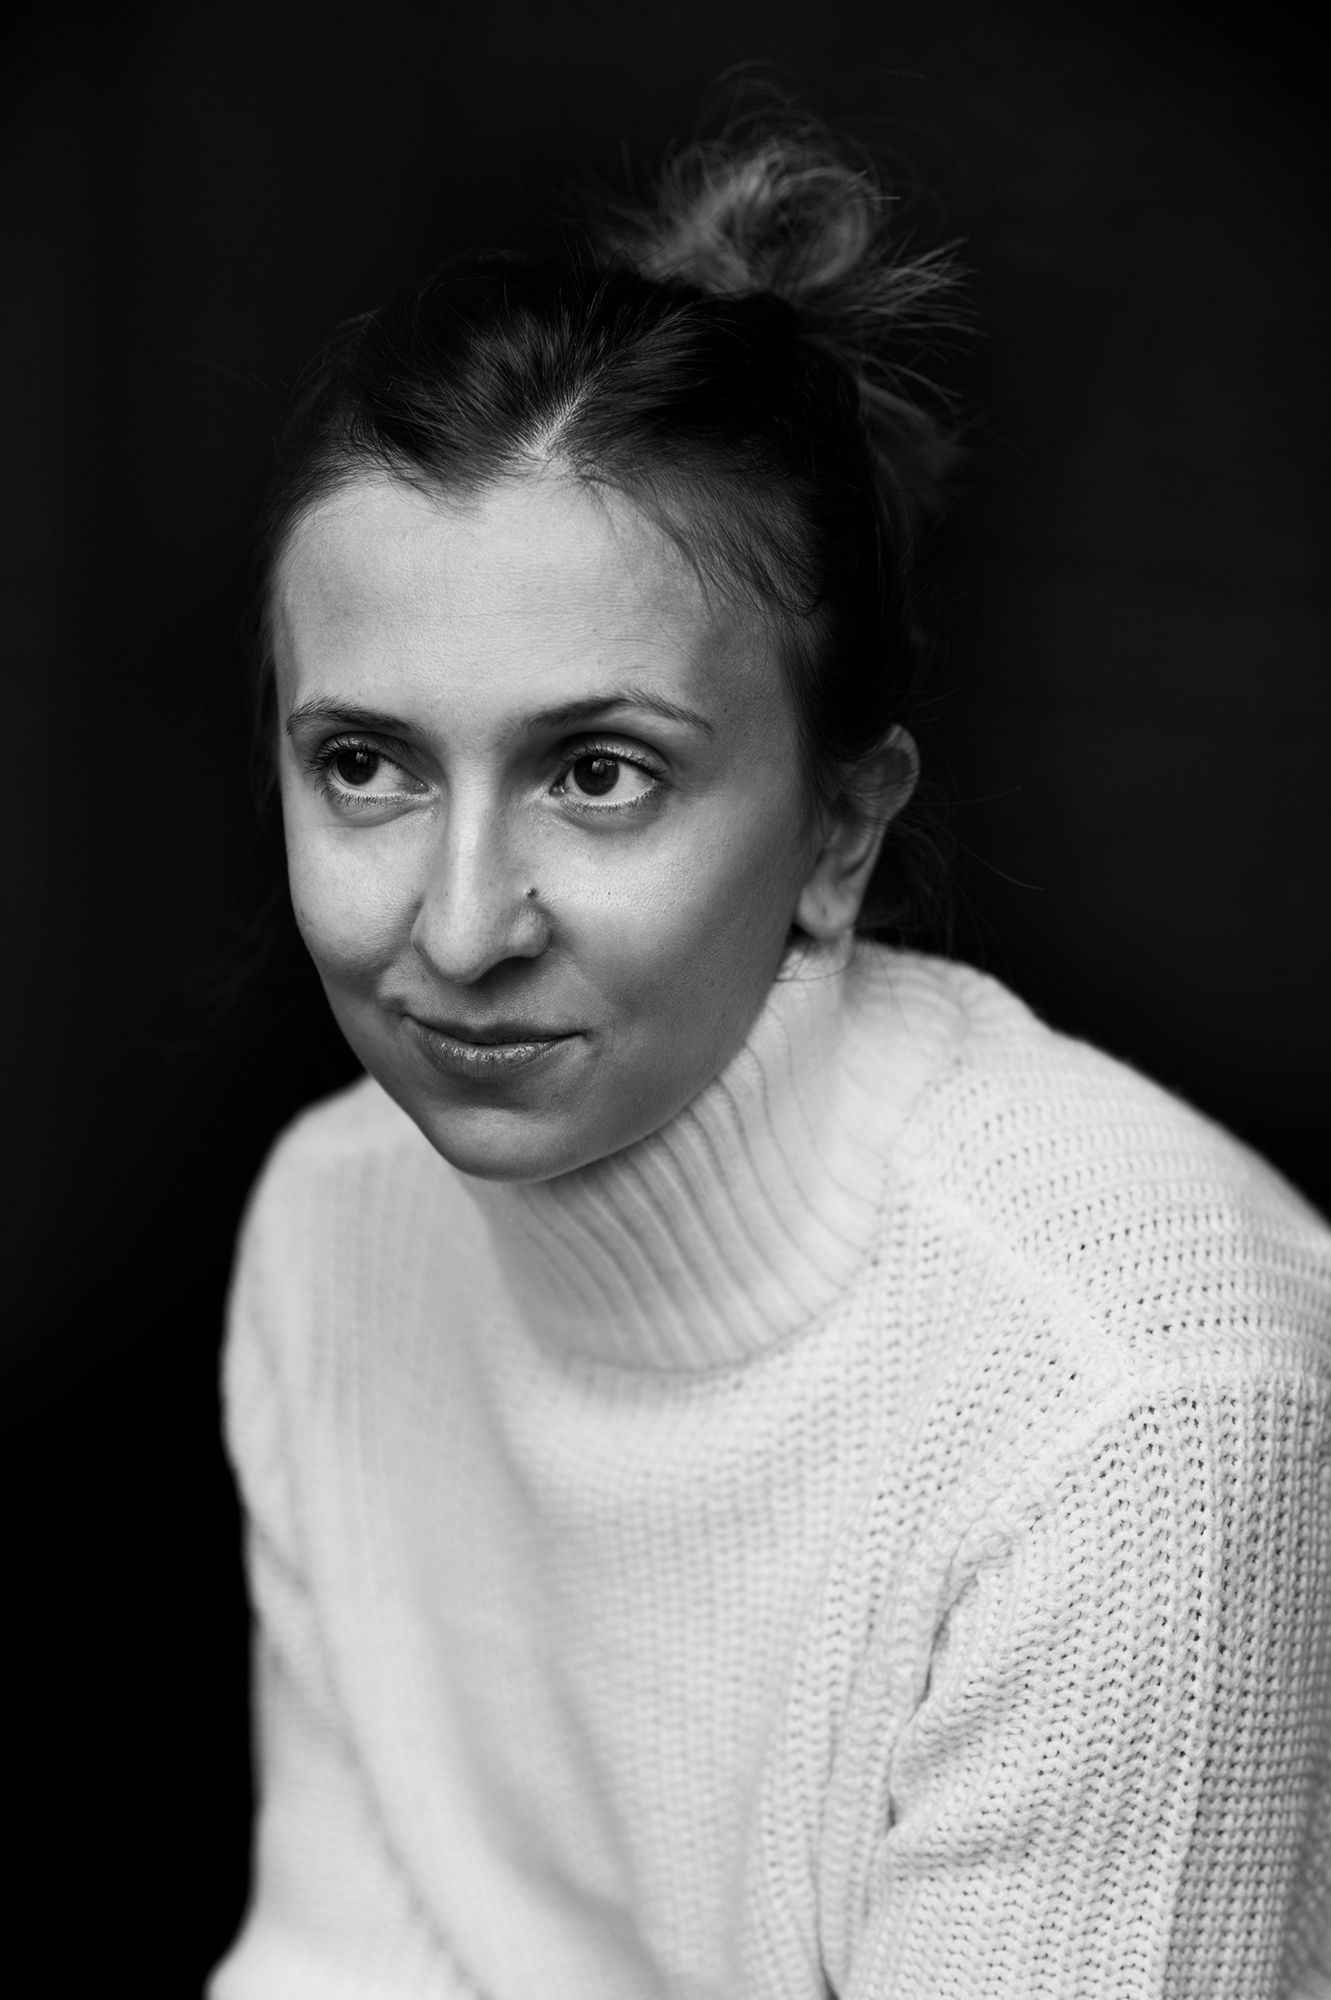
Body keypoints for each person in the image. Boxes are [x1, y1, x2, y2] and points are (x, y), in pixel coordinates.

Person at [211, 123, 1331, 1999]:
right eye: (367, 765)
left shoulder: (1136, 1400)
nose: (461, 928)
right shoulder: (335, 1225)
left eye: (600, 772)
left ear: (838, 830)